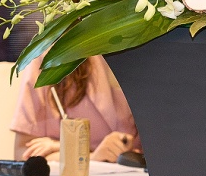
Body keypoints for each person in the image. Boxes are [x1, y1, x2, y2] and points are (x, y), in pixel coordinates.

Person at [11, 54, 140, 163]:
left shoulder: (143, 52)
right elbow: (23, 154)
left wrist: (66, 148)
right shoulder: (49, 55)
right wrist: (88, 156)